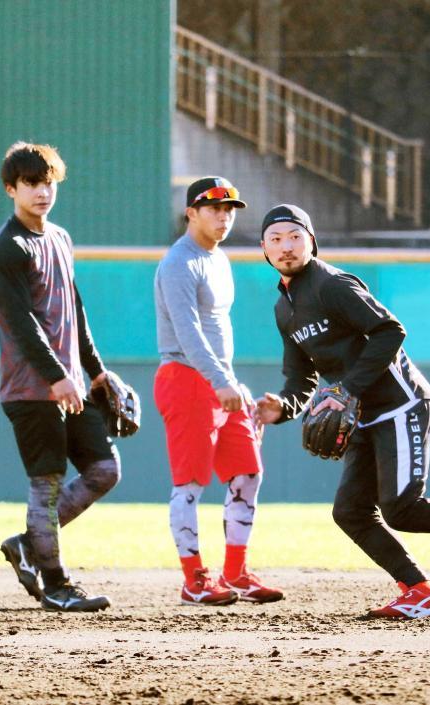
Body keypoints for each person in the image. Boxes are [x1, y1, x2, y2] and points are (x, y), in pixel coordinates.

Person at [255, 204, 430, 620]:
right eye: (276, 239)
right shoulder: (284, 307)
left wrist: (349, 389)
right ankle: (420, 590)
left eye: (295, 236)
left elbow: (390, 330)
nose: (286, 246)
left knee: (403, 507)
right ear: (263, 248)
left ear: (311, 240)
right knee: (350, 511)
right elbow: (301, 377)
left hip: (399, 402)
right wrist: (281, 406)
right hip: (362, 415)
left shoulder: (330, 284)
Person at [0, 142, 124, 612]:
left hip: (69, 383)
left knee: (105, 469)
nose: (42, 191)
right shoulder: (9, 248)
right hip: (32, 388)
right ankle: (56, 584)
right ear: (12, 188)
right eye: (31, 183)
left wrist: (95, 370)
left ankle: (28, 544)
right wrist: (55, 376)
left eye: (48, 182)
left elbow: (75, 310)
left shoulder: (59, 238)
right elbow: (20, 322)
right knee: (46, 482)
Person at [154, 177, 283, 606]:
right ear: (191, 212)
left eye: (230, 209)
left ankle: (235, 573)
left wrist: (234, 385)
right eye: (214, 208)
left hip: (219, 380)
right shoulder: (179, 262)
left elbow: (217, 331)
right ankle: (194, 580)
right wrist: (220, 380)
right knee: (190, 482)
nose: (224, 216)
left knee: (248, 472)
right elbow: (189, 333)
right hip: (187, 378)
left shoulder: (219, 258)